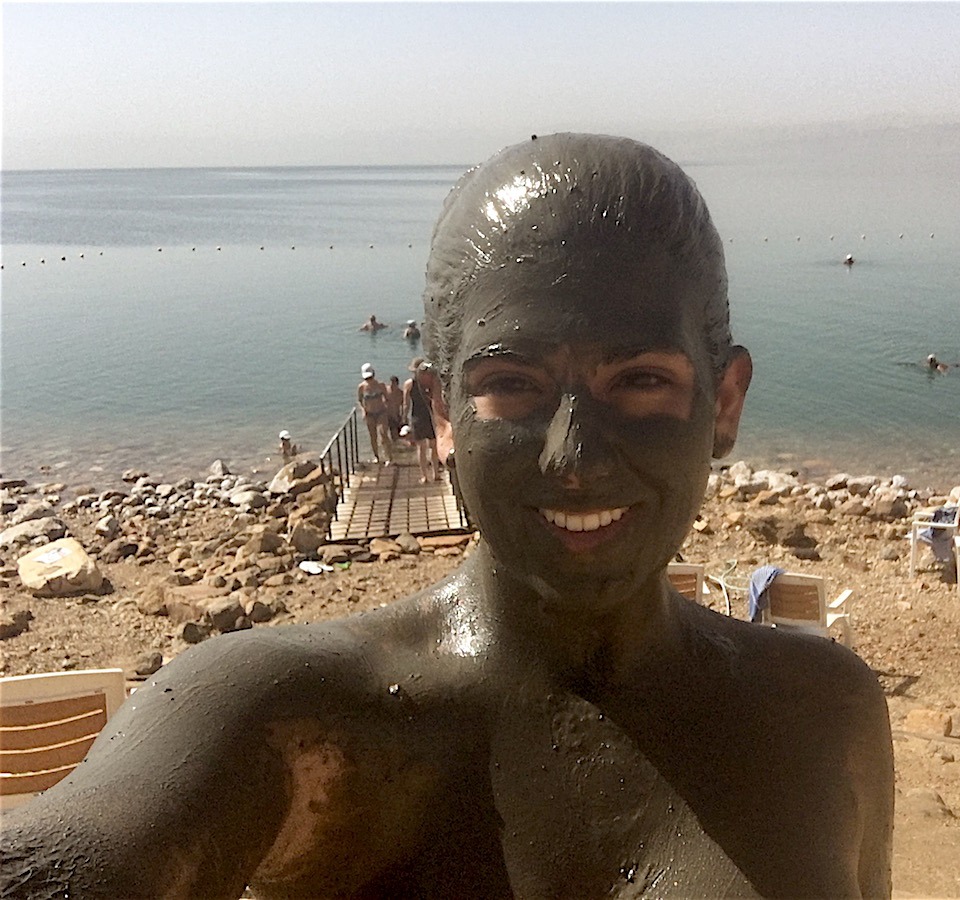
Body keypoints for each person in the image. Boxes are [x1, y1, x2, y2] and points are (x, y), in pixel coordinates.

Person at [1, 133, 893, 898]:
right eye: (513, 386)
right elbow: (78, 857)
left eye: (642, 381)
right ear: (439, 416)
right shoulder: (285, 716)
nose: (573, 458)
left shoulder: (826, 709)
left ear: (725, 402)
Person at [402, 356, 440, 483]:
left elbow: (406, 404)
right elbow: (437, 400)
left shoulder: (409, 384)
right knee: (434, 446)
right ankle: (436, 473)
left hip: (417, 416)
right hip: (430, 415)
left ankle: (424, 476)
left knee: (421, 448)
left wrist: (404, 419)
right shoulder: (430, 383)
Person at [357, 362, 394, 464]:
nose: (369, 380)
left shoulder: (381, 385)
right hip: (370, 414)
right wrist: (363, 410)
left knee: (384, 435)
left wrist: (389, 410)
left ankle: (389, 457)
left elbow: (387, 398)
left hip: (381, 412)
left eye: (370, 377)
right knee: (373, 436)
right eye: (367, 378)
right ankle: (376, 457)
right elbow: (360, 400)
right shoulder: (361, 387)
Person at [384, 374, 407, 443]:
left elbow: (404, 405)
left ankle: (397, 449)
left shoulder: (400, 393)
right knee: (391, 433)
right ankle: (391, 448)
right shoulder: (386, 391)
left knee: (401, 433)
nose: (391, 385)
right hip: (387, 415)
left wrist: (404, 416)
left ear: (397, 384)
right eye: (391, 383)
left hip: (396, 415)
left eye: (393, 383)